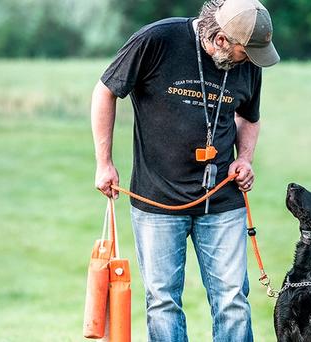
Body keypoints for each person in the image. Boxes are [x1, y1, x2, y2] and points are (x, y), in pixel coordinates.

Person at [90, 0, 279, 340]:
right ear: (221, 40)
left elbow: (249, 116)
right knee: (163, 301)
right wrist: (104, 163)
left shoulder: (248, 60)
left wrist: (245, 158)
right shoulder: (156, 40)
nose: (250, 61)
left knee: (233, 300)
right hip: (158, 201)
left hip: (222, 200)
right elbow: (105, 91)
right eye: (245, 53)